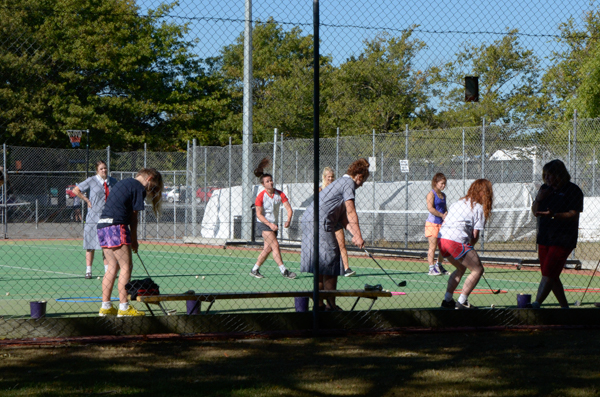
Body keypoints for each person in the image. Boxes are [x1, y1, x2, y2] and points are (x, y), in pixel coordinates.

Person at [300, 158, 369, 311]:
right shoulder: (348, 183)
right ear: (358, 176)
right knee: (331, 262)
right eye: (363, 180)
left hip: (307, 221)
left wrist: (354, 234)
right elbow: (351, 211)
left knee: (319, 265)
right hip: (319, 224)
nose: (362, 184)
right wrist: (358, 235)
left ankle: (318, 306)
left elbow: (344, 219)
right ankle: (331, 307)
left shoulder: (338, 184)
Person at [96, 168, 163, 317]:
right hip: (116, 226)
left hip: (102, 226)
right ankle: (124, 308)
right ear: (149, 178)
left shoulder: (124, 183)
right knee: (127, 266)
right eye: (153, 184)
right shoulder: (139, 188)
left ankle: (106, 306)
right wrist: (134, 239)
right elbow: (134, 217)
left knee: (112, 267)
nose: (152, 188)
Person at [530, 159, 583, 309]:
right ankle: (565, 308)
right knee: (550, 274)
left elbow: (574, 214)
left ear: (559, 175)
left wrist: (554, 215)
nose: (546, 178)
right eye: (545, 175)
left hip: (563, 238)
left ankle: (536, 304)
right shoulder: (545, 189)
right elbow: (535, 212)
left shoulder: (572, 190)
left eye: (550, 175)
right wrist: (539, 199)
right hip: (545, 237)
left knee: (549, 273)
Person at [438, 179, 493, 310]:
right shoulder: (479, 208)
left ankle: (447, 300)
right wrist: (470, 247)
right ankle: (462, 301)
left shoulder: (457, 203)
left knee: (461, 268)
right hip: (455, 241)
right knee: (478, 269)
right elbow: (474, 236)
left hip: (442, 241)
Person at [249, 158, 296, 279]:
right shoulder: (260, 196)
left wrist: (288, 220)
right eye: (267, 181)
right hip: (264, 224)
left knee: (268, 248)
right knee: (275, 245)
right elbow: (259, 214)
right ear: (263, 184)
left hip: (273, 224)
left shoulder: (280, 194)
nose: (270, 182)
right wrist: (270, 225)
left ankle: (254, 269)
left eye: (271, 180)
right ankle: (284, 271)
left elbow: (289, 209)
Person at [73, 161, 118, 279]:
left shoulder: (112, 181)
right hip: (93, 216)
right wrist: (86, 200)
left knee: (107, 246)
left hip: (107, 217)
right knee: (90, 244)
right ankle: (88, 271)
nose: (104, 170)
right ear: (97, 170)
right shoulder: (92, 180)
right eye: (101, 169)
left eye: (105, 168)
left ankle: (108, 271)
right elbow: (76, 190)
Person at [320, 167, 356, 277]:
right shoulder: (320, 190)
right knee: (325, 247)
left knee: (341, 245)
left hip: (336, 221)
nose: (330, 179)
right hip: (325, 223)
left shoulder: (337, 188)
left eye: (332, 177)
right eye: (328, 177)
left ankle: (346, 268)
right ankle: (325, 268)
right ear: (324, 177)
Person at [425, 172, 448, 276]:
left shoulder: (443, 195)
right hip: (432, 223)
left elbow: (445, 208)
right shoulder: (431, 194)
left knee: (443, 247)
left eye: (445, 183)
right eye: (442, 183)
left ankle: (438, 265)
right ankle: (431, 268)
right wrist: (441, 215)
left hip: (442, 224)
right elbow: (430, 208)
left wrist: (446, 214)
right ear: (435, 182)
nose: (443, 185)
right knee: (433, 246)